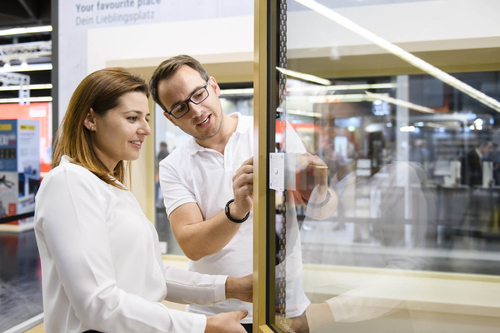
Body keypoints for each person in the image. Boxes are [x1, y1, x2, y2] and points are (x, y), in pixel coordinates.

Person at [34, 67, 252, 333]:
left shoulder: (111, 187)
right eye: (132, 118)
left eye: (146, 118)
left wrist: (232, 287)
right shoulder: (68, 181)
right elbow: (98, 303)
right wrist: (204, 325)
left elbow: (152, 275)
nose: (146, 130)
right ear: (90, 119)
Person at [150, 55, 328, 331]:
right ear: (169, 118)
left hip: (284, 305)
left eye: (198, 94)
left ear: (214, 86)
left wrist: (321, 188)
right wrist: (237, 209)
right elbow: (192, 246)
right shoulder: (173, 165)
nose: (196, 111)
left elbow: (321, 210)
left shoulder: (272, 134)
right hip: (213, 315)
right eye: (180, 108)